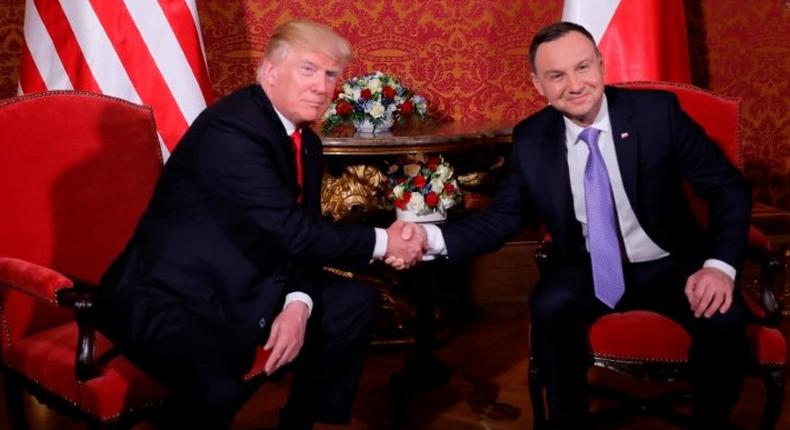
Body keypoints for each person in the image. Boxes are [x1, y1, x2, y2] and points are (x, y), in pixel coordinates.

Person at [398, 22, 752, 429]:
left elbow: (728, 189)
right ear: (538, 85)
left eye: (583, 67)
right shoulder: (532, 138)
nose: (575, 84)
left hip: (670, 261)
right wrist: (429, 237)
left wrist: (718, 266)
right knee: (550, 304)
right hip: (589, 267)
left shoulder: (659, 113)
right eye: (556, 75)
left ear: (601, 65)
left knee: (726, 320)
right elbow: (501, 220)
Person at [97, 20, 425, 430]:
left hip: (250, 278)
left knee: (352, 304)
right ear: (269, 72)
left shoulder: (306, 141)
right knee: (219, 386)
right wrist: (385, 242)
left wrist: (298, 304)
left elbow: (304, 234)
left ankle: (302, 422)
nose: (321, 87)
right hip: (170, 294)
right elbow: (296, 232)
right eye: (308, 70)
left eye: (330, 75)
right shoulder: (231, 130)